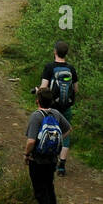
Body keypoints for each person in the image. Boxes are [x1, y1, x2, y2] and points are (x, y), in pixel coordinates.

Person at [24, 88, 72, 204]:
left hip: (37, 159)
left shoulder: (36, 116)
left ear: (37, 101)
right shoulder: (56, 113)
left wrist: (26, 155)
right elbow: (69, 128)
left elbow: (31, 141)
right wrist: (58, 141)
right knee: (49, 184)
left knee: (39, 189)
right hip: (52, 158)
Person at [39, 40, 77, 177]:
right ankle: (62, 165)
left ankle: (48, 159)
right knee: (66, 131)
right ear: (66, 53)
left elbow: (44, 88)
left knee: (48, 129)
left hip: (52, 107)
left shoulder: (49, 67)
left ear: (55, 51)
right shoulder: (71, 69)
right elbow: (76, 89)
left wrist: (38, 91)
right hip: (66, 106)